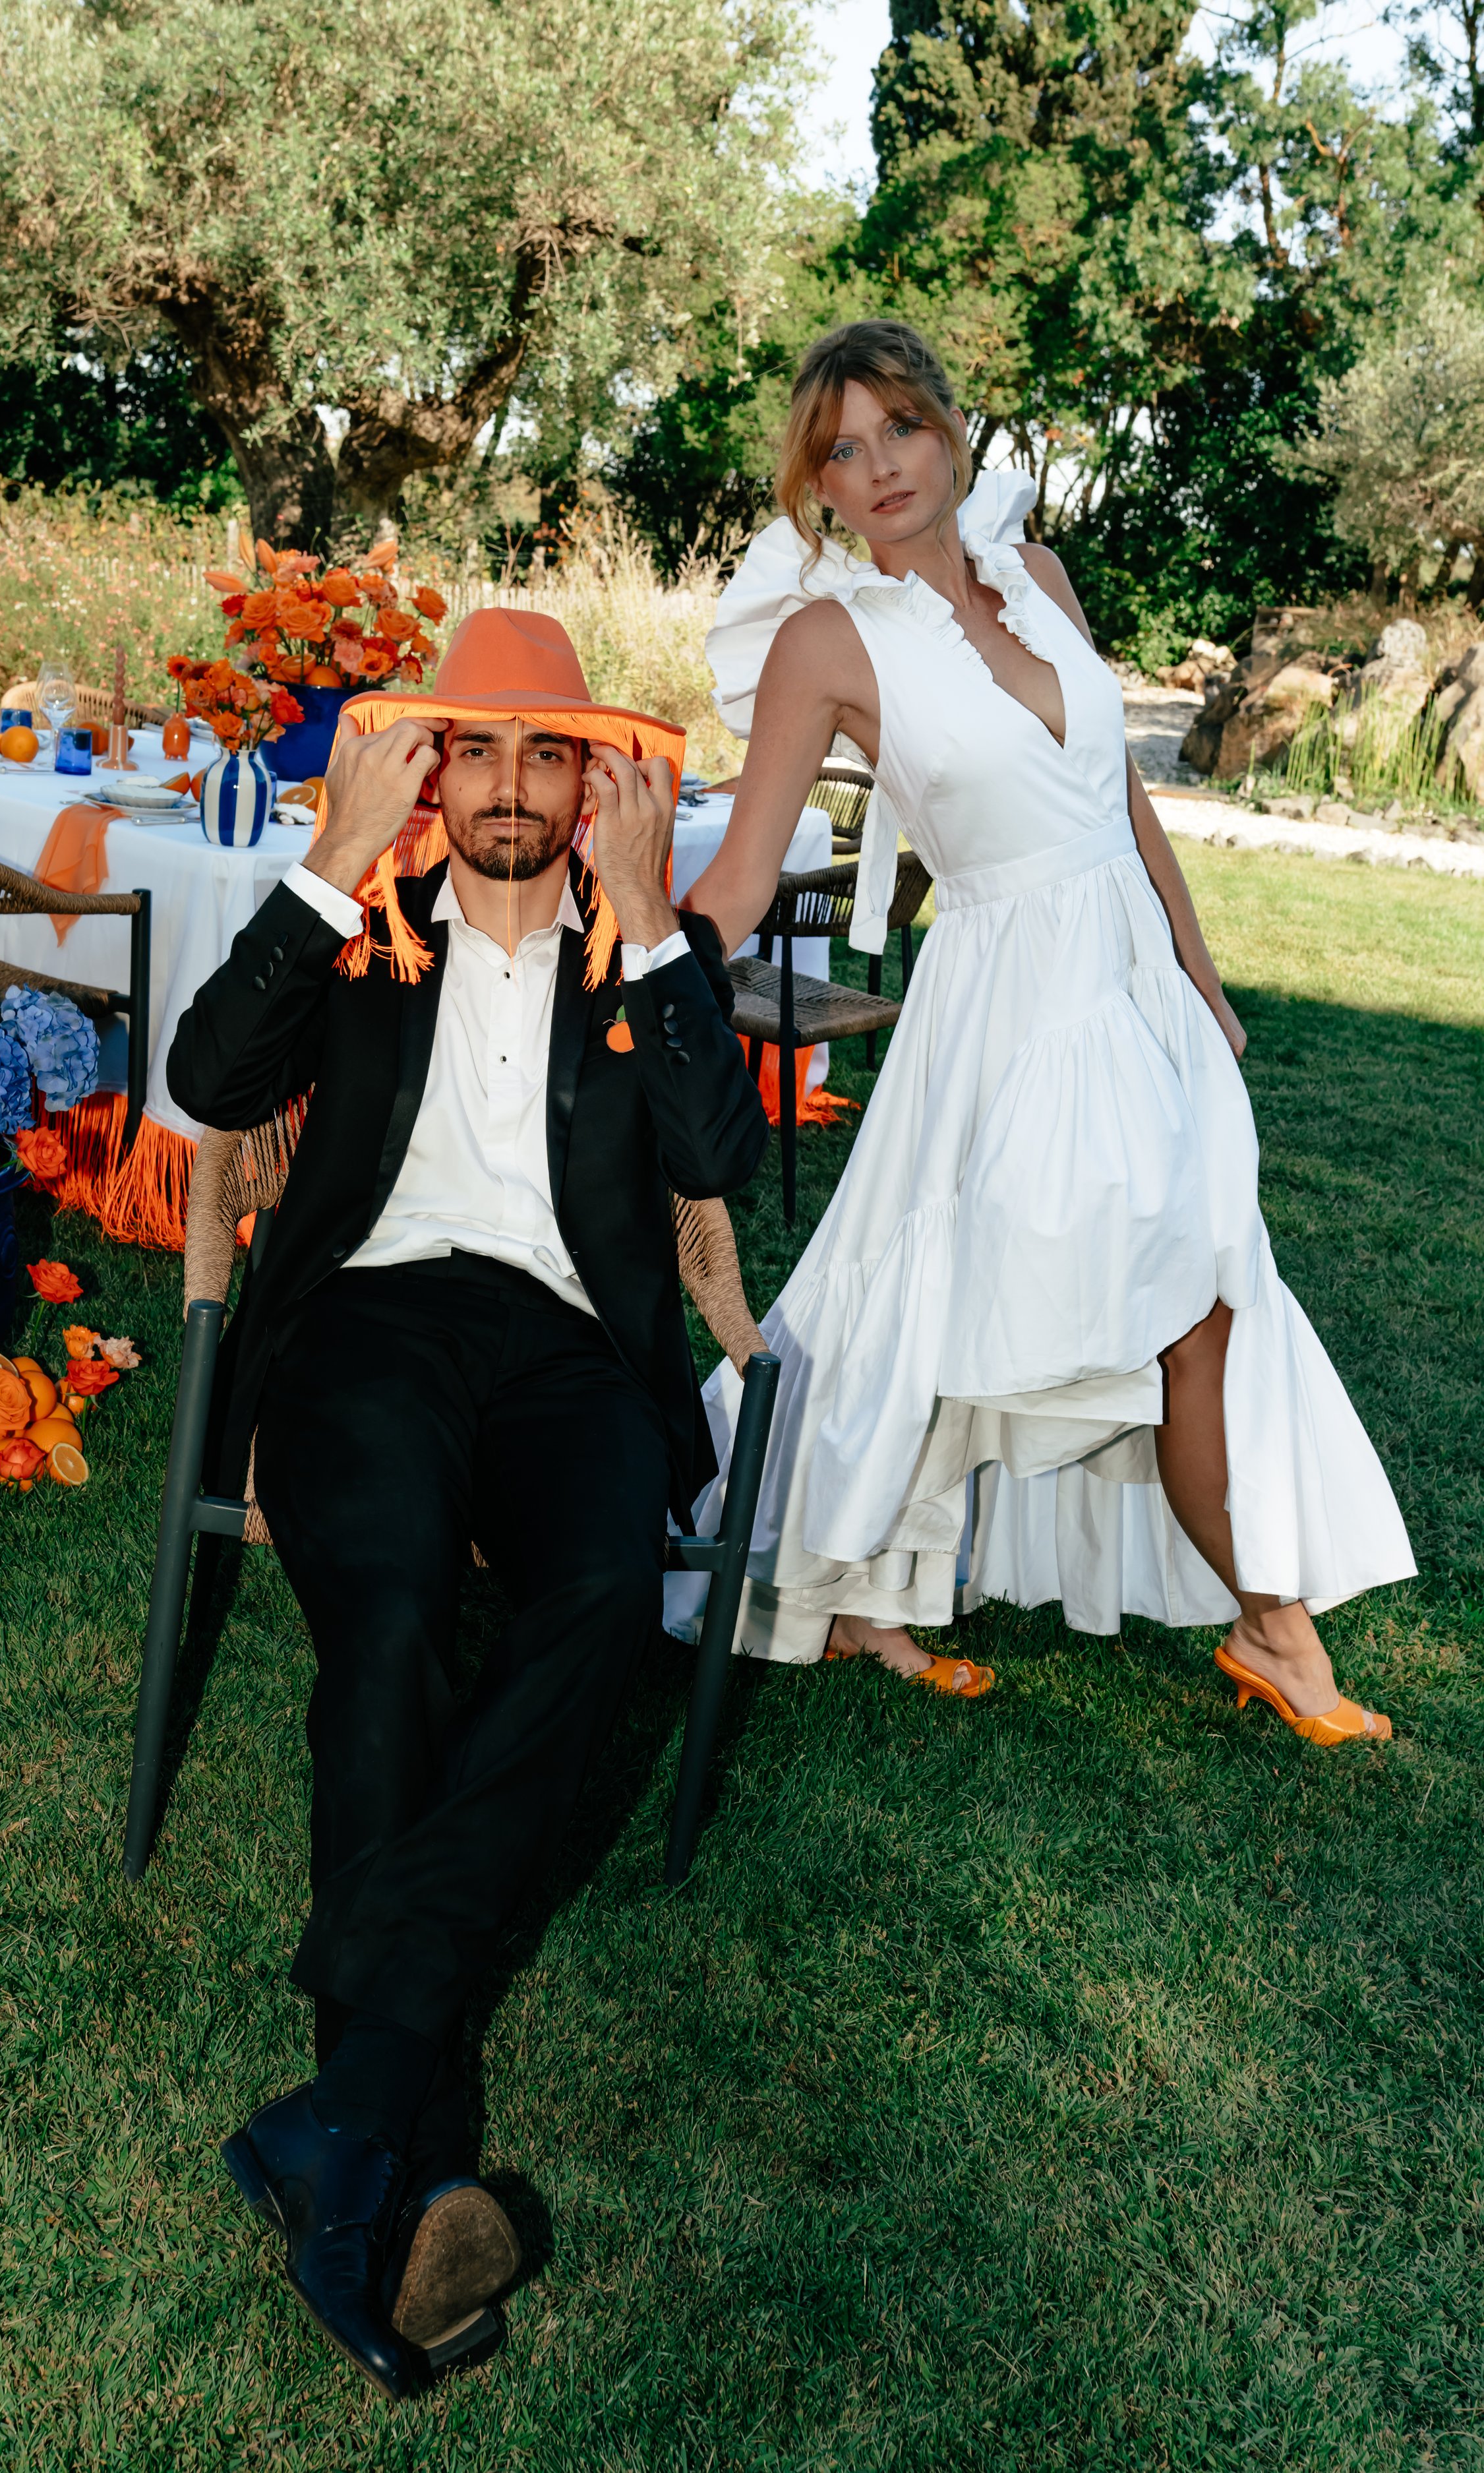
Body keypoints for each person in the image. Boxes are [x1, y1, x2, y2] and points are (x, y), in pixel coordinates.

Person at [166, 608, 767, 2398]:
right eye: (476, 751)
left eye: (545, 754)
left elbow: (718, 1159)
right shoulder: (359, 938)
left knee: (596, 1588)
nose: (509, 786)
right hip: (365, 1325)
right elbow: (208, 1080)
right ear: (433, 772)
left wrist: (654, 918)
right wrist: (335, 855)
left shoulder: (638, 950)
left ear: (593, 781)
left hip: (575, 1348)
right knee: (394, 1603)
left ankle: (352, 2115)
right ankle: (398, 2138)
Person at [678, 318, 1414, 1730]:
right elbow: (741, 875)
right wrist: (635, 967)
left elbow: (1119, 803)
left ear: (952, 431)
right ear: (815, 488)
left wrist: (1199, 986)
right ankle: (1271, 1629)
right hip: (1007, 1013)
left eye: (898, 427)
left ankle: (882, 1593)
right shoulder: (827, 641)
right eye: (840, 450)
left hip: (1135, 993)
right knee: (1128, 1304)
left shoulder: (1038, 577)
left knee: (1156, 1294)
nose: (878, 465)